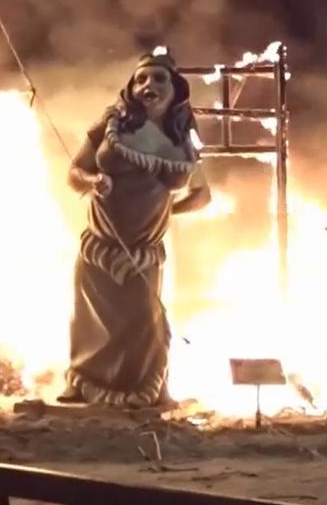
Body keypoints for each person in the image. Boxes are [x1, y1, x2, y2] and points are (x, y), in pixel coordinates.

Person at [58, 48, 212, 408]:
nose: (148, 85)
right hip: (99, 248)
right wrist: (93, 181)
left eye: (158, 78)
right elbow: (74, 173)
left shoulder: (183, 140)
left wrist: (164, 211)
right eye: (141, 78)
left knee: (146, 322)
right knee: (89, 323)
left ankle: (150, 387)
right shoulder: (112, 124)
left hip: (143, 255)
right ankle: (81, 381)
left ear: (175, 89)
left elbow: (202, 196)